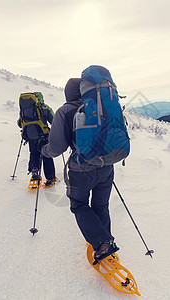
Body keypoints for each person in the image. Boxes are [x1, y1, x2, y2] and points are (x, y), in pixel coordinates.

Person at [38, 78, 118, 260]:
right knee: (101, 205)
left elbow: (57, 148)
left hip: (81, 169)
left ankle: (103, 243)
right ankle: (104, 237)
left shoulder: (65, 111)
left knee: (79, 204)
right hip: (106, 166)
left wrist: (43, 150)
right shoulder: (100, 107)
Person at [17, 92, 56, 187]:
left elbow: (19, 123)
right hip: (43, 136)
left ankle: (34, 173)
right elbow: (54, 121)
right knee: (46, 155)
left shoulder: (25, 109)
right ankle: (50, 178)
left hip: (30, 136)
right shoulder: (44, 107)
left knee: (34, 153)